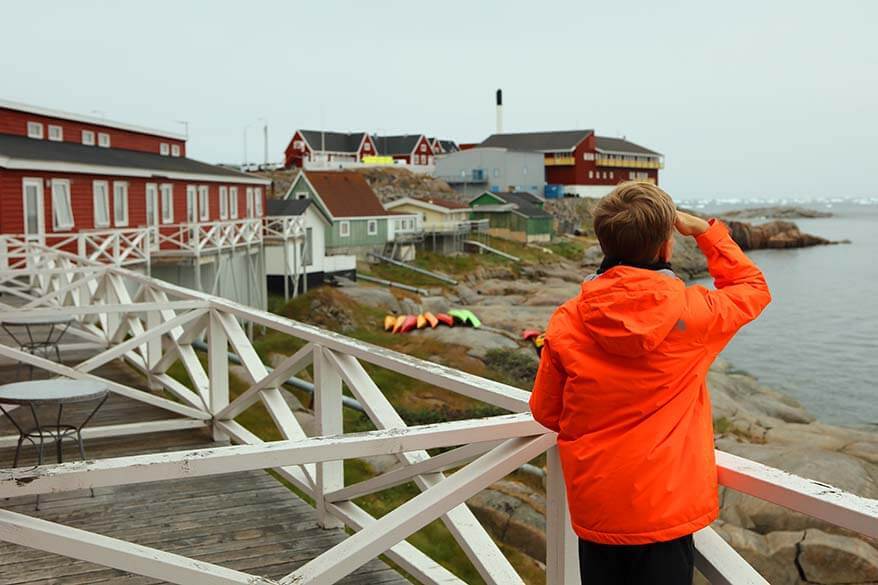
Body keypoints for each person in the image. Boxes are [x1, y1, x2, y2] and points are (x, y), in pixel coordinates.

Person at [529, 182, 771, 585]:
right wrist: (707, 232)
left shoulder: (568, 319)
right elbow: (753, 289)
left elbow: (545, 411)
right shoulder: (696, 313)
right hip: (665, 512)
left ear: (603, 243)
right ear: (666, 246)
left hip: (599, 509)